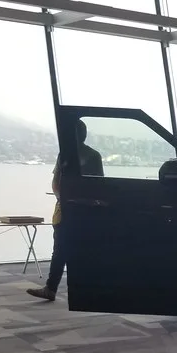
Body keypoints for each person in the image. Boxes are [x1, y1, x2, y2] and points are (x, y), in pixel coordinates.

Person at [27, 119, 103, 302]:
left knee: (81, 250)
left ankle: (84, 289)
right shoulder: (64, 155)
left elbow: (98, 184)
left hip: (84, 211)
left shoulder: (93, 156)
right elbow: (56, 182)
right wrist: (62, 199)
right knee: (59, 250)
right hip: (65, 210)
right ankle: (51, 288)